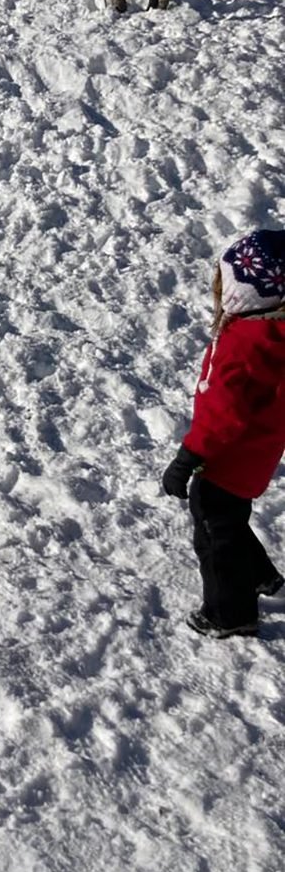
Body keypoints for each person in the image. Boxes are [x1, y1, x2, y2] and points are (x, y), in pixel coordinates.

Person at [161, 230, 285, 638]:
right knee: (229, 519)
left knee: (214, 533)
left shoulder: (241, 345)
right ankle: (262, 577)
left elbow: (221, 416)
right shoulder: (275, 336)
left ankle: (229, 614)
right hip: (258, 454)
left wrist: (188, 457)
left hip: (228, 459)